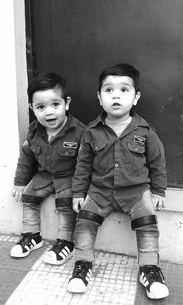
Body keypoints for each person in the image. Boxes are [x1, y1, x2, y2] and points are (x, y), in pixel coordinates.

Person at [67, 63, 169, 299]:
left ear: (136, 97)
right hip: (99, 191)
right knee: (84, 221)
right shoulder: (91, 132)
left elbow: (157, 162)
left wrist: (159, 192)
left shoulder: (145, 132)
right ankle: (82, 265)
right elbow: (82, 165)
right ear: (99, 97)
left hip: (136, 192)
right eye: (109, 90)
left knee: (147, 223)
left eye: (124, 90)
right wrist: (78, 193)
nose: (116, 95)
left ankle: (150, 269)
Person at [11, 72, 85, 266]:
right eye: (41, 107)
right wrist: (19, 182)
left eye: (55, 105)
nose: (49, 112)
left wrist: (80, 190)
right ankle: (32, 236)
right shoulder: (34, 130)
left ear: (66, 103)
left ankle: (65, 242)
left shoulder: (79, 132)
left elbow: (85, 165)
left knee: (65, 203)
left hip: (69, 178)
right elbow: (26, 157)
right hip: (44, 176)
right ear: (32, 108)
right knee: (28, 195)